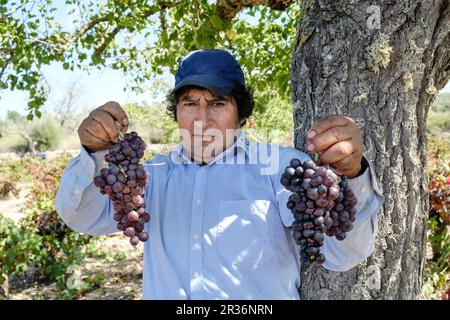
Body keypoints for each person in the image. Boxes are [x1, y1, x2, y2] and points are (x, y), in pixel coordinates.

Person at [55, 49, 384, 300]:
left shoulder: (282, 169)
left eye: (217, 103)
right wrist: (94, 154)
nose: (201, 119)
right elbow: (82, 216)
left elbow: (342, 254)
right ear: (177, 113)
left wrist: (351, 174)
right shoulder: (151, 177)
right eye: (189, 103)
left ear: (241, 114)